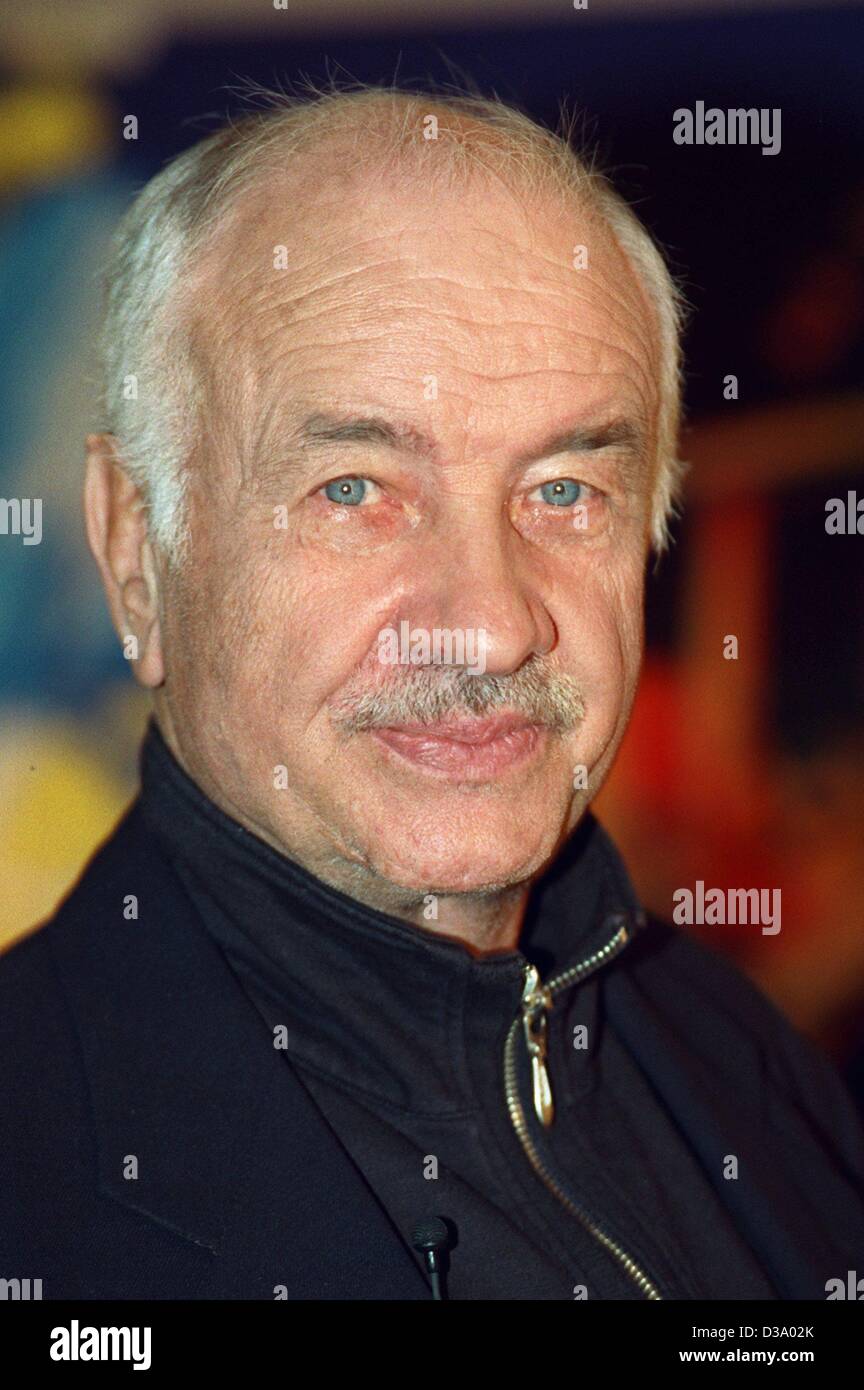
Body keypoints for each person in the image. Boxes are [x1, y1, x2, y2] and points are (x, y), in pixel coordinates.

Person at [2, 84, 862, 1301]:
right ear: (138, 550)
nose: (493, 621)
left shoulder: (750, 1073)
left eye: (565, 491)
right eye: (355, 489)